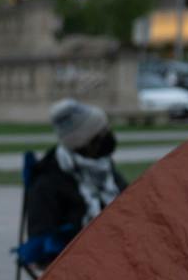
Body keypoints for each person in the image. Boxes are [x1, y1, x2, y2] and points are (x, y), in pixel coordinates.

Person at [16, 98, 125, 269]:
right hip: (79, 275)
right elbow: (42, 250)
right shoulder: (47, 183)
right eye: (101, 133)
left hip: (122, 265)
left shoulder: (104, 169)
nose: (108, 135)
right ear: (85, 142)